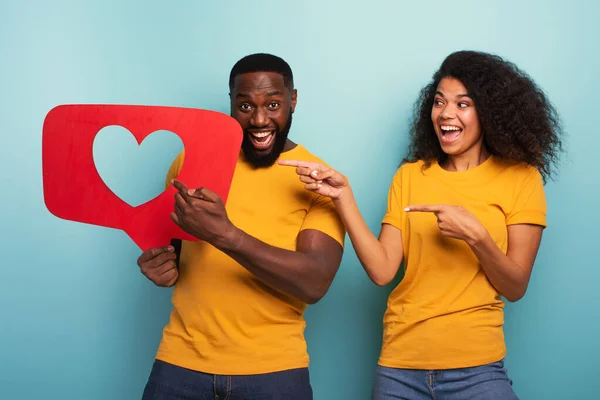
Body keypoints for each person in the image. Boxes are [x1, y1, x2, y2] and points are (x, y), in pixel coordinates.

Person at [280, 50, 564, 399]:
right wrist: (343, 198)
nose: (446, 113)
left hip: (477, 369)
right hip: (400, 369)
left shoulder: (521, 180)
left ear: (490, 112)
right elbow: (384, 270)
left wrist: (477, 236)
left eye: (463, 104)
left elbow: (516, 285)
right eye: (440, 102)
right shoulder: (411, 176)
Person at [137, 53, 345, 400]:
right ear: (231, 103)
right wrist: (160, 265)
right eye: (245, 106)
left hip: (274, 373)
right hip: (180, 362)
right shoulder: (191, 161)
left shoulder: (318, 178)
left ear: (293, 101)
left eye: (274, 104)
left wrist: (226, 235)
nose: (260, 119)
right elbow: (171, 247)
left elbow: (314, 282)